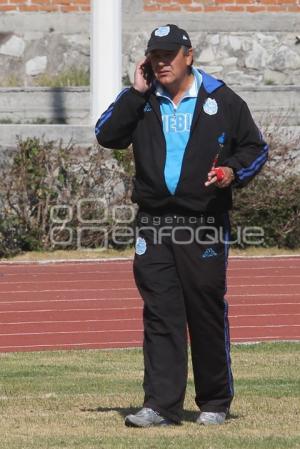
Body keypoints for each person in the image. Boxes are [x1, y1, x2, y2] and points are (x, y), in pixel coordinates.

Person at [95, 24, 268, 427]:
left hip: (204, 222)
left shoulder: (221, 100)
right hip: (154, 224)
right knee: (160, 312)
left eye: (169, 55)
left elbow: (255, 148)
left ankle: (214, 402)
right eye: (155, 55)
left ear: (189, 55)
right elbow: (107, 135)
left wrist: (231, 172)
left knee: (204, 310)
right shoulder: (141, 100)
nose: (161, 62)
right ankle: (160, 405)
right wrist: (135, 93)